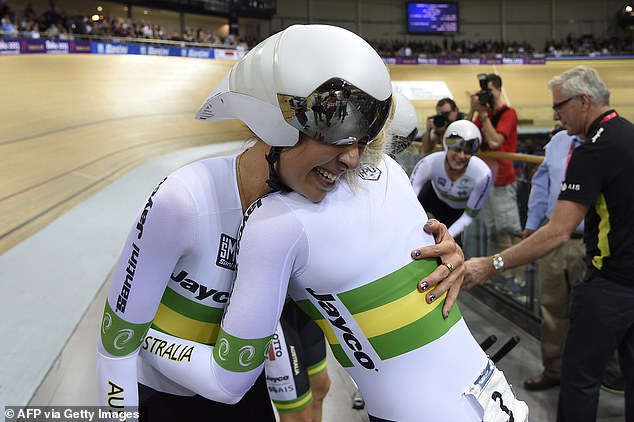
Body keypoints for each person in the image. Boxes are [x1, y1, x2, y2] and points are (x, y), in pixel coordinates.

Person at [139, 24, 528, 422]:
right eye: (339, 133)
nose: (354, 159)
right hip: (495, 399)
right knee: (311, 394)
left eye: (363, 138)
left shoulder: (275, 221)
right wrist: (446, 249)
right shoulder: (390, 172)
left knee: (309, 396)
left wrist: (139, 336)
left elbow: (227, 380)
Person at [463, 65, 634, 422]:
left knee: (579, 377)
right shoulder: (627, 135)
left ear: (584, 101)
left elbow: (557, 231)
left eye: (560, 106)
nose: (555, 114)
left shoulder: (593, 150)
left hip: (608, 283)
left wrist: (490, 263)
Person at [520, 129, 585, 391]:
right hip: (553, 238)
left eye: (561, 106)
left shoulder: (608, 141)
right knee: (552, 308)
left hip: (591, 240)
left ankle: (585, 375)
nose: (558, 114)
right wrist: (532, 224)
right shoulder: (558, 142)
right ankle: (554, 370)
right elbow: (541, 184)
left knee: (587, 314)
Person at [468, 72, 523, 292]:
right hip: (487, 180)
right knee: (496, 232)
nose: (486, 95)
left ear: (499, 90)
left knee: (510, 230)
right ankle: (505, 275)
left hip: (502, 179)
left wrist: (484, 115)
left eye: (489, 90)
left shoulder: (507, 113)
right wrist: (474, 110)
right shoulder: (485, 114)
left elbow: (494, 140)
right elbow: (469, 135)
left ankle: (519, 279)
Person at [410, 120, 492, 243]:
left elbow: (468, 216)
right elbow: (410, 198)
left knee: (452, 245)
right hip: (433, 198)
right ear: (446, 146)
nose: (461, 156)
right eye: (457, 149)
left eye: (467, 151)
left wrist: (445, 239)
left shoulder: (482, 175)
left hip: (457, 212)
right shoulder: (428, 163)